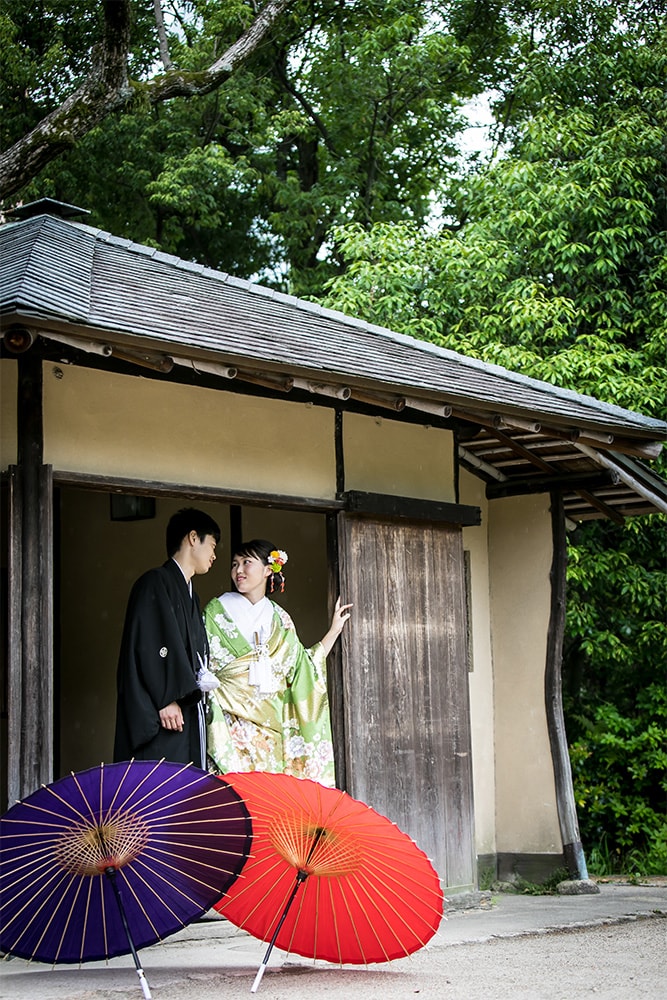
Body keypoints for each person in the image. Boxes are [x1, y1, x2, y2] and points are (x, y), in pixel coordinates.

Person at [204, 539, 351, 787]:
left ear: (268, 569)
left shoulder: (280, 619)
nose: (238, 570)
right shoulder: (215, 611)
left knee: (267, 796)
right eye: (234, 564)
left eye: (247, 563)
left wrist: (334, 630)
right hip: (229, 724)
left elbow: (303, 667)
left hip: (269, 730)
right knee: (232, 794)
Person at [113, 507, 221, 768]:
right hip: (162, 712)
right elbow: (150, 644)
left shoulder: (191, 595)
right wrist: (166, 697)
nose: (214, 555)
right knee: (157, 791)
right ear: (193, 538)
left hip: (182, 713)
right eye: (213, 545)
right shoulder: (155, 582)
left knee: (182, 792)